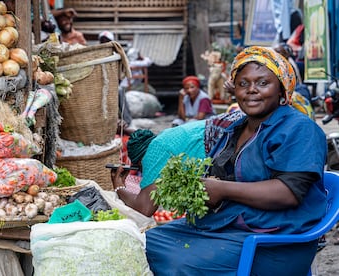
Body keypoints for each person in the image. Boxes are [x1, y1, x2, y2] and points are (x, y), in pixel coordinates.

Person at [144, 46, 327, 275]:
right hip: (227, 227)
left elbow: (288, 193)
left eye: (263, 83)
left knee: (174, 263)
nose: (251, 90)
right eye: (243, 83)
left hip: (274, 242)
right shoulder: (234, 128)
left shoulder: (298, 129)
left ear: (282, 89)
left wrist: (221, 190)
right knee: (143, 242)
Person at [111, 111, 244, 216]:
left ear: (141, 160)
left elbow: (144, 208)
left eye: (141, 167)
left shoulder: (154, 150)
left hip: (234, 136)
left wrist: (118, 186)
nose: (144, 171)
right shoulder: (166, 137)